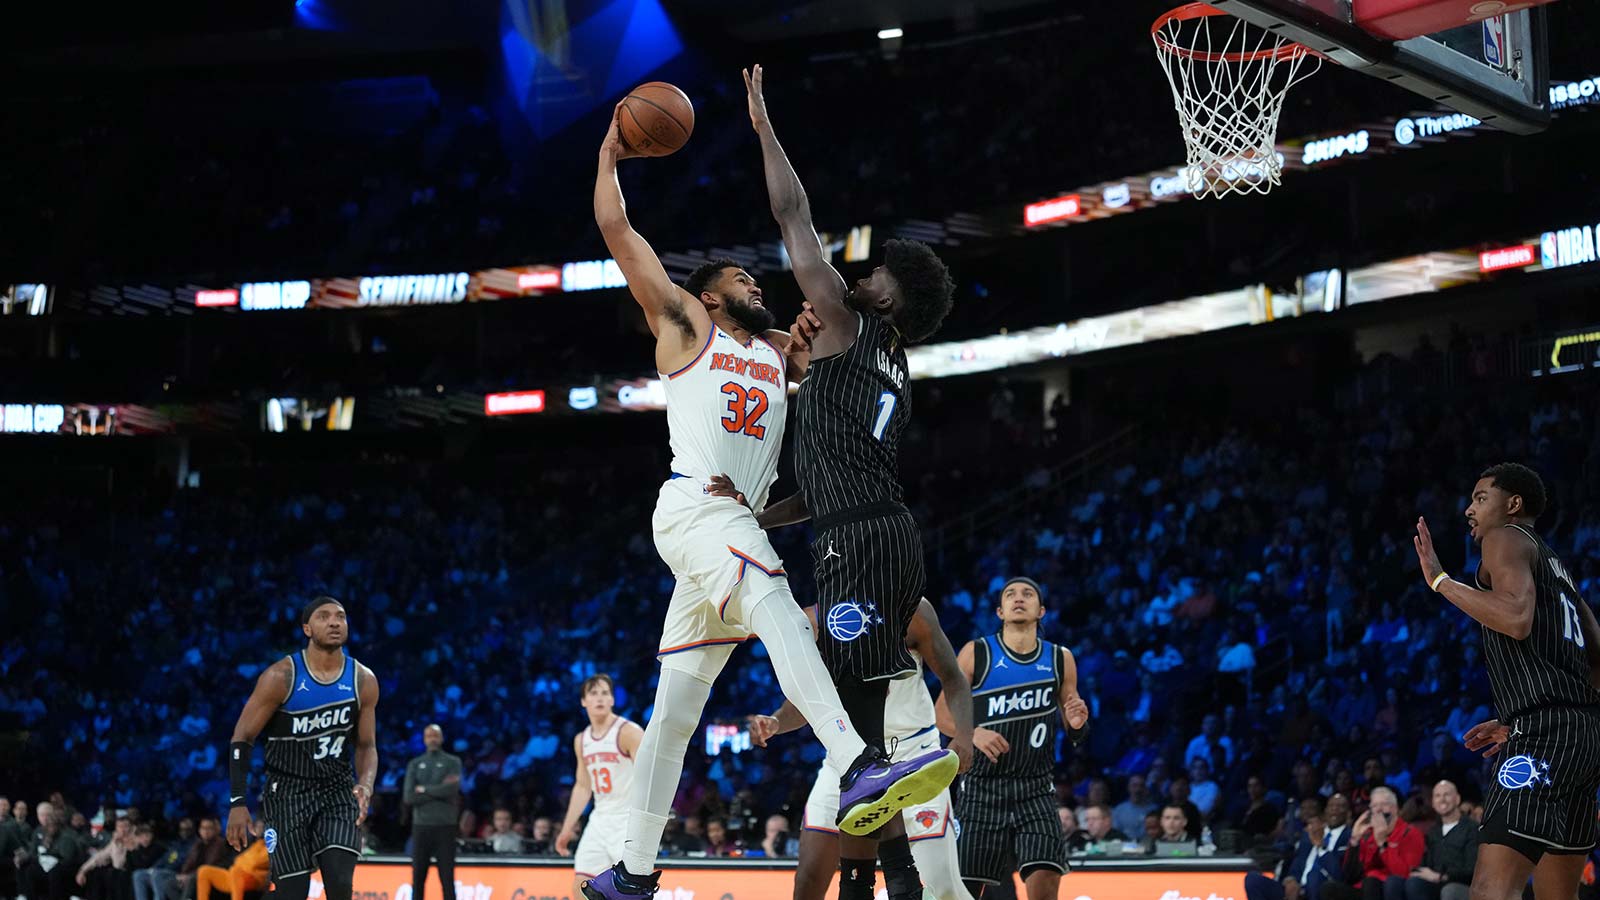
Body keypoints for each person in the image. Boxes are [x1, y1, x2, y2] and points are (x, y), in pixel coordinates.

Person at [583, 103, 950, 900]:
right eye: (740, 279)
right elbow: (622, 238)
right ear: (709, 298)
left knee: (676, 712)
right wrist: (611, 157)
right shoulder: (686, 327)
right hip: (694, 513)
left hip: (734, 527)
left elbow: (819, 453)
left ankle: (633, 872)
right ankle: (857, 758)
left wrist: (797, 352)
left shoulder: (785, 359)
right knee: (780, 600)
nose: (756, 282)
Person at [742, 63, 959, 900]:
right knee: (854, 709)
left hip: (859, 543)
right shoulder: (897, 371)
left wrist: (765, 129)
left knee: (840, 694)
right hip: (877, 530)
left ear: (889, 295)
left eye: (875, 274)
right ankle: (886, 849)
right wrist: (768, 516)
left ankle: (914, 758)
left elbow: (792, 215)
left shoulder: (844, 316)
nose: (858, 273)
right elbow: (835, 477)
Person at [1414, 463, 1600, 900]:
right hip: (1582, 740)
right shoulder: (1558, 570)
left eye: (1481, 498)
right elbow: (1597, 656)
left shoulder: (1505, 538)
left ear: (1513, 504)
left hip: (1543, 739)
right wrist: (1541, 715)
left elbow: (1516, 619)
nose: (1468, 510)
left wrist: (1441, 582)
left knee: (1490, 892)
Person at [748, 599, 976, 900]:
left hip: (915, 754)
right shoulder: (817, 619)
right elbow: (808, 696)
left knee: (942, 889)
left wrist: (964, 734)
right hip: (850, 760)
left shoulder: (911, 608)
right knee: (808, 881)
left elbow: (952, 676)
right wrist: (776, 721)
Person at [939, 578, 1091, 899]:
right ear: (1000, 611)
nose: (1018, 598)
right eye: (1010, 595)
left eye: (1028, 594)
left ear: (1041, 611)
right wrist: (973, 733)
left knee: (1046, 876)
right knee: (965, 890)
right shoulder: (975, 652)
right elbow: (941, 713)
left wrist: (1077, 723)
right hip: (982, 787)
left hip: (1035, 787)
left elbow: (1073, 724)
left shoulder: (1060, 658)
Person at [224, 596, 379, 900]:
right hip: (287, 794)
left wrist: (366, 784)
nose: (334, 622)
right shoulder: (280, 677)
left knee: (339, 882)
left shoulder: (363, 679)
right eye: (324, 617)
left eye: (341, 616)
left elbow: (366, 745)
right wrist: (237, 802)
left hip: (336, 791)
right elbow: (241, 738)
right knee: (292, 893)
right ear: (307, 628)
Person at [557, 675, 643, 898]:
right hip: (599, 819)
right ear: (583, 701)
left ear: (613, 699)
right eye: (593, 693)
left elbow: (650, 777)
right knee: (581, 885)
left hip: (627, 820)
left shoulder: (629, 732)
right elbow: (583, 787)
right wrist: (567, 828)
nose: (600, 698)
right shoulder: (581, 739)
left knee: (629, 891)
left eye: (605, 693)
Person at [1323, 787, 1423, 900]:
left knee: (1372, 882)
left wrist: (1382, 843)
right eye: (1375, 806)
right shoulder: (1367, 834)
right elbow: (1349, 876)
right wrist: (1355, 840)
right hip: (1365, 889)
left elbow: (1404, 874)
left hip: (1391, 888)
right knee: (1329, 889)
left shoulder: (1410, 832)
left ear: (1395, 808)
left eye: (1384, 804)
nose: (1379, 809)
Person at [1245, 795, 1352, 900]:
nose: (1334, 809)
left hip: (1321, 891)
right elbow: (1298, 862)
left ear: (1348, 813)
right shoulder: (1309, 833)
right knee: (1253, 879)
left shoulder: (1349, 837)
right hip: (1297, 891)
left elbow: (1338, 873)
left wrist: (1321, 846)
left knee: (1313, 875)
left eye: (1340, 806)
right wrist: (1291, 880)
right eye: (1331, 806)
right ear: (1325, 812)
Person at [404, 724, 461, 900]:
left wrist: (424, 789)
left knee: (447, 878)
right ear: (424, 739)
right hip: (421, 827)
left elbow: (451, 789)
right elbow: (409, 797)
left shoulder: (453, 762)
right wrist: (438, 791)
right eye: (429, 736)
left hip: (445, 826)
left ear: (442, 738)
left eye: (436, 735)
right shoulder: (415, 764)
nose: (433, 739)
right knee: (418, 878)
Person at [1403, 780, 1477, 900]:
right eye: (1437, 796)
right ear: (1433, 803)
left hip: (1461, 886)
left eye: (1446, 795)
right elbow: (1426, 864)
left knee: (1449, 890)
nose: (1442, 799)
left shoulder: (1471, 829)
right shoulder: (1433, 832)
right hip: (1436, 884)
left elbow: (1472, 870)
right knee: (1408, 883)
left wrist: (1441, 876)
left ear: (1457, 799)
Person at [16, 802, 87, 900]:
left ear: (58, 826)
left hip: (67, 866)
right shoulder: (42, 833)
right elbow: (36, 852)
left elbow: (67, 859)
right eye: (48, 826)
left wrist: (50, 857)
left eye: (53, 825)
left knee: (55, 872)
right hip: (49, 864)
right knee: (30, 870)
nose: (50, 828)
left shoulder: (67, 836)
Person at [194, 821, 268, 900]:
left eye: (262, 827)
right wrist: (244, 863)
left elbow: (255, 863)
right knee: (203, 870)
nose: (259, 829)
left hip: (255, 878)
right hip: (235, 875)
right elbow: (238, 860)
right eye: (257, 827)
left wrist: (244, 863)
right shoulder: (253, 843)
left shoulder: (270, 845)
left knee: (236, 871)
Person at [132, 817, 193, 900]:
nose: (184, 832)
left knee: (157, 874)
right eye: (182, 829)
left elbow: (181, 861)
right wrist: (154, 868)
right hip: (164, 871)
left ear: (192, 829)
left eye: (187, 829)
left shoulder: (194, 844)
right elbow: (164, 858)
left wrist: (159, 870)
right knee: (138, 874)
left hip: (177, 873)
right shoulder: (177, 843)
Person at [168, 819, 226, 900]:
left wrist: (188, 876)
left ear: (215, 830)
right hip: (192, 875)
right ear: (199, 830)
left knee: (192, 879)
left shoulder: (220, 844)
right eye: (203, 828)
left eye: (209, 828)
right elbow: (189, 862)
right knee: (169, 883)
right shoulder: (197, 844)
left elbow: (210, 865)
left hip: (208, 875)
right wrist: (183, 874)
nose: (206, 831)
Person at [1113, 775, 1154, 840]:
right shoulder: (1119, 810)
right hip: (1124, 847)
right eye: (1134, 785)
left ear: (1146, 788)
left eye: (1141, 786)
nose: (1138, 789)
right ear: (1128, 788)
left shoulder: (1154, 809)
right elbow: (1115, 833)